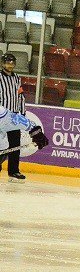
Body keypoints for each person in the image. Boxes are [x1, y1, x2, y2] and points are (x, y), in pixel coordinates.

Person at [0, 53, 27, 181]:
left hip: (14, 117)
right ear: (2, 63)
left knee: (15, 145)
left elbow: (20, 96)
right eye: (7, 63)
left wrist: (22, 114)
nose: (10, 65)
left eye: (12, 63)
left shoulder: (17, 78)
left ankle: (14, 171)